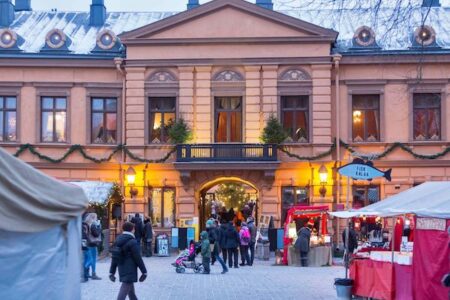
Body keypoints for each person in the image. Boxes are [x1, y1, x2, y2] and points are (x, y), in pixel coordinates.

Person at [109, 222, 147, 300]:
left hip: (121, 267)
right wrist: (144, 272)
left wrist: (111, 272)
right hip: (130, 269)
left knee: (130, 290)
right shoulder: (132, 242)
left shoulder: (117, 240)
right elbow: (138, 258)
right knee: (125, 286)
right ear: (132, 230)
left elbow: (114, 257)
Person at [85, 213, 102, 280]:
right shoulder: (93, 225)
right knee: (93, 260)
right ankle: (93, 273)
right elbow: (96, 234)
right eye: (96, 217)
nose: (96, 218)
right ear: (93, 218)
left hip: (86, 243)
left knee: (87, 259)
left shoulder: (86, 224)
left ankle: (86, 273)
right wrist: (99, 227)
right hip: (92, 244)